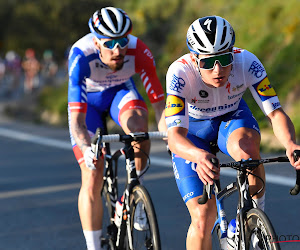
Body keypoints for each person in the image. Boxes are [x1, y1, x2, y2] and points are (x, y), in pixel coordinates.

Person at [165, 15, 300, 250]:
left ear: (232, 54)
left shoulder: (246, 62)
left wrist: (290, 144)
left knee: (248, 150)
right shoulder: (179, 72)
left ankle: (252, 221)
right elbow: (175, 136)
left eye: (224, 59)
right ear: (195, 59)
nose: (218, 69)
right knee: (202, 219)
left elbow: (275, 113)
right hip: (193, 132)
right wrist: (197, 156)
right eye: (208, 63)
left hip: (232, 119)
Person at [68, 7, 166, 250]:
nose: (117, 50)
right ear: (96, 42)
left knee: (140, 127)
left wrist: (170, 136)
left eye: (122, 41)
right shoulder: (81, 55)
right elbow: (77, 122)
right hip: (87, 105)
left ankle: (134, 193)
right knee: (92, 174)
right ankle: (93, 245)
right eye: (109, 43)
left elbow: (159, 106)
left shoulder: (139, 50)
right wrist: (86, 148)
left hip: (119, 94)